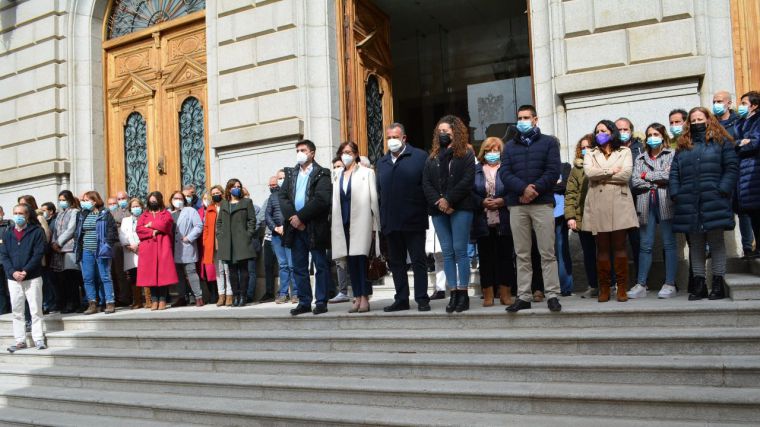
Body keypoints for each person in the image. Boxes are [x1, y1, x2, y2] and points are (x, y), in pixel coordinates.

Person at [671, 106, 738, 300]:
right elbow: (674, 172)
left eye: (700, 119)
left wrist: (723, 189)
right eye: (693, 120)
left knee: (716, 242)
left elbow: (731, 167)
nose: (697, 123)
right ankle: (699, 286)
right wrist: (676, 193)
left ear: (709, 120)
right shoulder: (683, 145)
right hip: (689, 200)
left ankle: (718, 284)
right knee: (697, 244)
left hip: (714, 198)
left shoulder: (722, 141)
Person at [501, 105, 562, 313]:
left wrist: (534, 189)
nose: (522, 121)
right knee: (522, 253)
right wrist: (522, 189)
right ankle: (524, 296)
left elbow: (553, 171)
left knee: (547, 252)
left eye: (526, 117)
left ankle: (552, 294)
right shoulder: (508, 147)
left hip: (542, 203)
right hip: (517, 205)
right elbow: (505, 173)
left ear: (535, 119)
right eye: (519, 118)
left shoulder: (549, 143)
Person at [422, 115, 476, 313]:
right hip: (438, 210)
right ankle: (452, 292)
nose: (443, 134)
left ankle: (463, 293)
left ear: (456, 131)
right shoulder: (432, 157)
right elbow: (426, 183)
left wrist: (449, 200)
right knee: (447, 253)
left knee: (460, 251)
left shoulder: (466, 154)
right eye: (440, 131)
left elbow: (467, 180)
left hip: (460, 208)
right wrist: (440, 202)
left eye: (446, 130)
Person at [582, 120, 639, 303]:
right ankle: (604, 288)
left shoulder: (625, 151)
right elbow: (590, 174)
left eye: (604, 130)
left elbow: (625, 175)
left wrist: (602, 175)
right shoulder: (590, 153)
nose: (600, 133)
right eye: (597, 130)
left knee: (620, 246)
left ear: (612, 132)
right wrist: (610, 171)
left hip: (620, 202)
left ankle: (622, 287)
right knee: (602, 248)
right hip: (598, 203)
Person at [377, 123, 431, 312]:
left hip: (413, 220)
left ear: (404, 138)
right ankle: (401, 299)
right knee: (397, 263)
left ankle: (422, 298)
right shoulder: (382, 162)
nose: (391, 141)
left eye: (395, 137)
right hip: (391, 222)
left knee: (418, 261)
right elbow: (379, 192)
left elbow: (427, 187)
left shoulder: (419, 157)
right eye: (389, 137)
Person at [279, 140, 333, 315]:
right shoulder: (291, 174)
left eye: (303, 150)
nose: (299, 153)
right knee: (299, 266)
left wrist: (301, 217)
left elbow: (321, 200)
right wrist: (293, 219)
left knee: (320, 264)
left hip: (314, 226)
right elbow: (283, 198)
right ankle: (304, 301)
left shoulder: (322, 174)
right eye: (297, 150)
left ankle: (322, 301)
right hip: (295, 228)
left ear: (312, 153)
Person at [629, 123, 678, 299]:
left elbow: (669, 176)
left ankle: (670, 283)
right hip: (645, 203)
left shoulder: (671, 154)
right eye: (649, 134)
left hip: (665, 202)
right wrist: (655, 179)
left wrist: (646, 176)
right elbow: (635, 181)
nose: (652, 137)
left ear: (663, 136)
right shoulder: (640, 158)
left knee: (669, 244)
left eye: (656, 134)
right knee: (645, 245)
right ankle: (641, 284)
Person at [330, 141, 380, 313]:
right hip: (343, 223)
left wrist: (375, 227)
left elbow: (374, 200)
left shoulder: (367, 173)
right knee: (350, 262)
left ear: (357, 154)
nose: (346, 155)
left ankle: (365, 297)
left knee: (361, 260)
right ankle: (356, 296)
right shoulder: (337, 175)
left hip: (362, 222)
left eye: (350, 152)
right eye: (343, 152)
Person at [471, 137, 515, 307]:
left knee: (505, 258)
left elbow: (514, 190)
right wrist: (482, 202)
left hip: (504, 219)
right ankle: (488, 294)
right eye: (489, 150)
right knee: (486, 258)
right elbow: (470, 193)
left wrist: (503, 201)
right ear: (484, 152)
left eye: (496, 150)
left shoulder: (507, 169)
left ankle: (505, 293)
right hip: (482, 221)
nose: (492, 153)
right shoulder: (476, 170)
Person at [1, 204, 47, 352]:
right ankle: (20, 340)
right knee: (17, 310)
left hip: (32, 277)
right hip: (13, 278)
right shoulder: (7, 234)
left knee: (35, 310)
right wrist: (13, 272)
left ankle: (38, 339)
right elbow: (4, 256)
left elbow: (38, 253)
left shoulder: (36, 232)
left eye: (21, 213)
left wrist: (26, 271)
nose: (17, 216)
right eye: (15, 213)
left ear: (27, 215)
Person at [74, 191, 119, 315]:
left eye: (86, 200)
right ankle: (92, 303)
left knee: (104, 276)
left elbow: (112, 231)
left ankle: (109, 302)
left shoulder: (105, 213)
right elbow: (77, 232)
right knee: (88, 278)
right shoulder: (82, 214)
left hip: (101, 250)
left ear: (94, 201)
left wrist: (107, 245)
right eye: (83, 200)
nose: (84, 202)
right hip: (86, 250)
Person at [565, 134, 598, 298]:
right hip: (582, 218)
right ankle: (593, 285)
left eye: (589, 147)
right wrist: (570, 216)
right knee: (589, 254)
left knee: (605, 252)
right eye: (582, 148)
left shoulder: (601, 164)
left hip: (601, 217)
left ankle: (610, 283)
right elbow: (570, 194)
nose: (586, 150)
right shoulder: (576, 170)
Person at [216, 179, 257, 307]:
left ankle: (243, 296)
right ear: (229, 189)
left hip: (242, 240)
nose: (237, 188)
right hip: (228, 241)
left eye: (239, 186)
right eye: (234, 186)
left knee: (243, 270)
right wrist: (220, 235)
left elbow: (252, 220)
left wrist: (248, 234)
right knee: (231, 271)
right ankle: (235, 295)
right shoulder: (224, 204)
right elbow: (220, 222)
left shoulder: (246, 202)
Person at [136, 191, 177, 310]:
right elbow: (139, 229)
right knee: (150, 275)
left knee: (163, 273)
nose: (152, 202)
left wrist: (151, 224)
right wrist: (153, 231)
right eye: (151, 200)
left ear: (159, 201)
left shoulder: (166, 213)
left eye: (155, 200)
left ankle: (163, 300)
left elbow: (167, 225)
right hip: (148, 249)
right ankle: (154, 300)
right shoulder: (144, 215)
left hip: (163, 246)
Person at [734, 91, 760, 256]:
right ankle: (750, 248)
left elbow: (755, 143)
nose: (741, 106)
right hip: (740, 173)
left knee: (757, 212)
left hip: (754, 173)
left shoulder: (757, 121)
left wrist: (741, 145)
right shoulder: (740, 123)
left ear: (754, 105)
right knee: (747, 213)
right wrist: (739, 143)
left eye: (744, 103)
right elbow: (732, 143)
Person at [169, 191, 205, 307]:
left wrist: (189, 238)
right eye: (175, 198)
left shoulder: (190, 211)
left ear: (184, 200)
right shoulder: (168, 213)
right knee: (178, 274)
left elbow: (199, 226)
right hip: (172, 248)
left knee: (191, 272)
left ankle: (198, 297)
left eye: (180, 198)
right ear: (171, 200)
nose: (178, 200)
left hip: (186, 246)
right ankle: (182, 297)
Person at [266, 171, 296, 304]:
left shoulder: (293, 193)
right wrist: (276, 228)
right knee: (283, 265)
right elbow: (267, 215)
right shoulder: (272, 197)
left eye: (283, 178)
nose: (281, 180)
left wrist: (287, 226)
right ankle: (283, 293)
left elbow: (297, 211)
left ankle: (296, 293)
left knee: (292, 265)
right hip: (277, 236)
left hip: (290, 233)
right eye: (279, 178)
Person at [50, 191, 81, 313]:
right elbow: (55, 230)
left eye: (64, 199)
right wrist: (53, 243)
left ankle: (75, 303)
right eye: (60, 199)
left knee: (72, 277)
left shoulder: (75, 212)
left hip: (69, 248)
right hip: (58, 250)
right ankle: (67, 302)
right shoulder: (60, 214)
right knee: (63, 278)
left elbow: (71, 229)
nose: (61, 202)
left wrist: (59, 242)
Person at [328, 157, 352, 304]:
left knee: (355, 259)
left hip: (351, 225)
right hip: (337, 227)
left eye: (339, 166)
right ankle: (343, 291)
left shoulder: (350, 183)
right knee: (340, 261)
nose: (336, 169)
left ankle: (358, 290)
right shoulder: (331, 186)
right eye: (334, 167)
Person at [202, 185, 229, 306]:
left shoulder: (227, 205)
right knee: (218, 271)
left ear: (222, 193)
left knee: (227, 270)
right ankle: (221, 295)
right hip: (213, 243)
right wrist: (206, 241)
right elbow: (206, 227)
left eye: (217, 193)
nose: (215, 195)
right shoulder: (210, 208)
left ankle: (229, 295)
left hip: (225, 242)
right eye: (213, 194)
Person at [119, 198, 149, 309]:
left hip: (143, 249)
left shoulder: (146, 218)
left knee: (146, 275)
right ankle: (137, 301)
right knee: (133, 276)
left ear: (142, 207)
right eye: (133, 206)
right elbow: (122, 234)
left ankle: (148, 300)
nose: (136, 208)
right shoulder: (126, 220)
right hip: (130, 251)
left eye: (138, 206)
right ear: (130, 209)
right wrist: (129, 245)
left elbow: (147, 233)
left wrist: (138, 245)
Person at [110, 191, 132, 307]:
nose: (121, 201)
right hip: (118, 245)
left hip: (132, 245)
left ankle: (137, 297)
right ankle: (122, 297)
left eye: (123, 198)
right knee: (118, 272)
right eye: (119, 199)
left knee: (132, 272)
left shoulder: (132, 209)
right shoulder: (113, 212)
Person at [261, 176, 279, 303]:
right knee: (268, 266)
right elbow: (262, 217)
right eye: (270, 185)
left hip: (280, 236)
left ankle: (287, 292)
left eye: (274, 184)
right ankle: (269, 292)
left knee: (285, 266)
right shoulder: (267, 201)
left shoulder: (285, 198)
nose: (272, 187)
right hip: (268, 238)